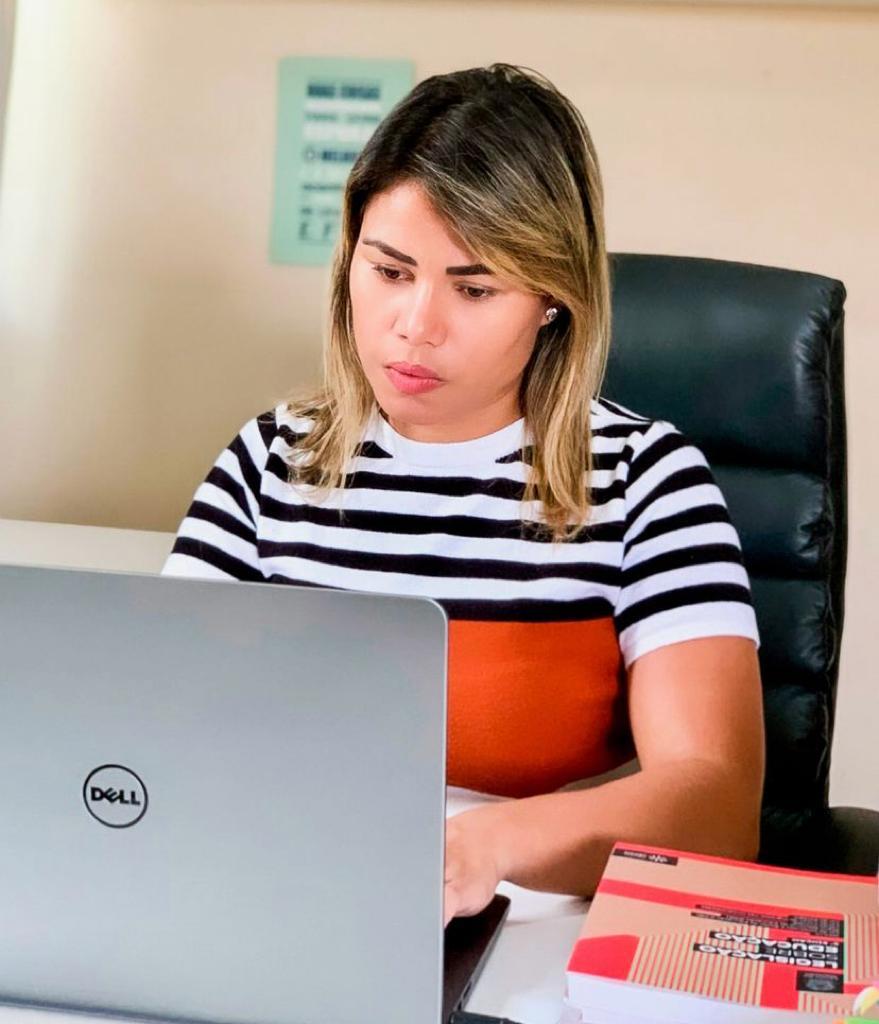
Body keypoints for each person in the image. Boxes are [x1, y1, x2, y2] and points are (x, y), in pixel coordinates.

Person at [163, 63, 764, 927]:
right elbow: (160, 724)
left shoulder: (646, 480)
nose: (416, 325)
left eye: (474, 289)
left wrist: (489, 844)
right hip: (278, 903)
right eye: (389, 271)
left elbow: (716, 804)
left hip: (517, 933)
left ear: (552, 298)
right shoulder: (268, 460)